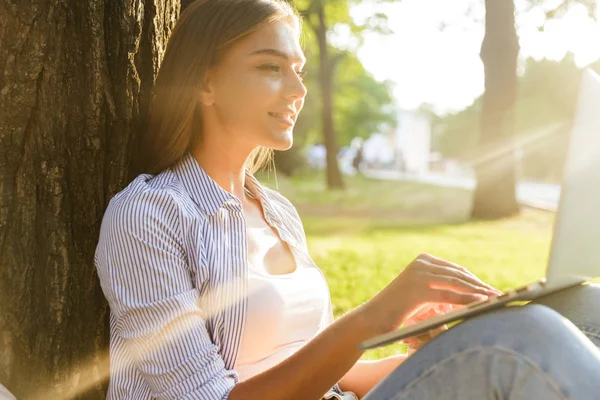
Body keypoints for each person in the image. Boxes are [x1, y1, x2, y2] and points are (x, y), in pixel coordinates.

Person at [94, 0, 600, 399]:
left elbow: (337, 374)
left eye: (300, 70)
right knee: (534, 338)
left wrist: (453, 351)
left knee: (579, 311)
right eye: (271, 67)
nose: (297, 89)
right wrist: (371, 318)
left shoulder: (278, 214)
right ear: (204, 82)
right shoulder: (150, 216)